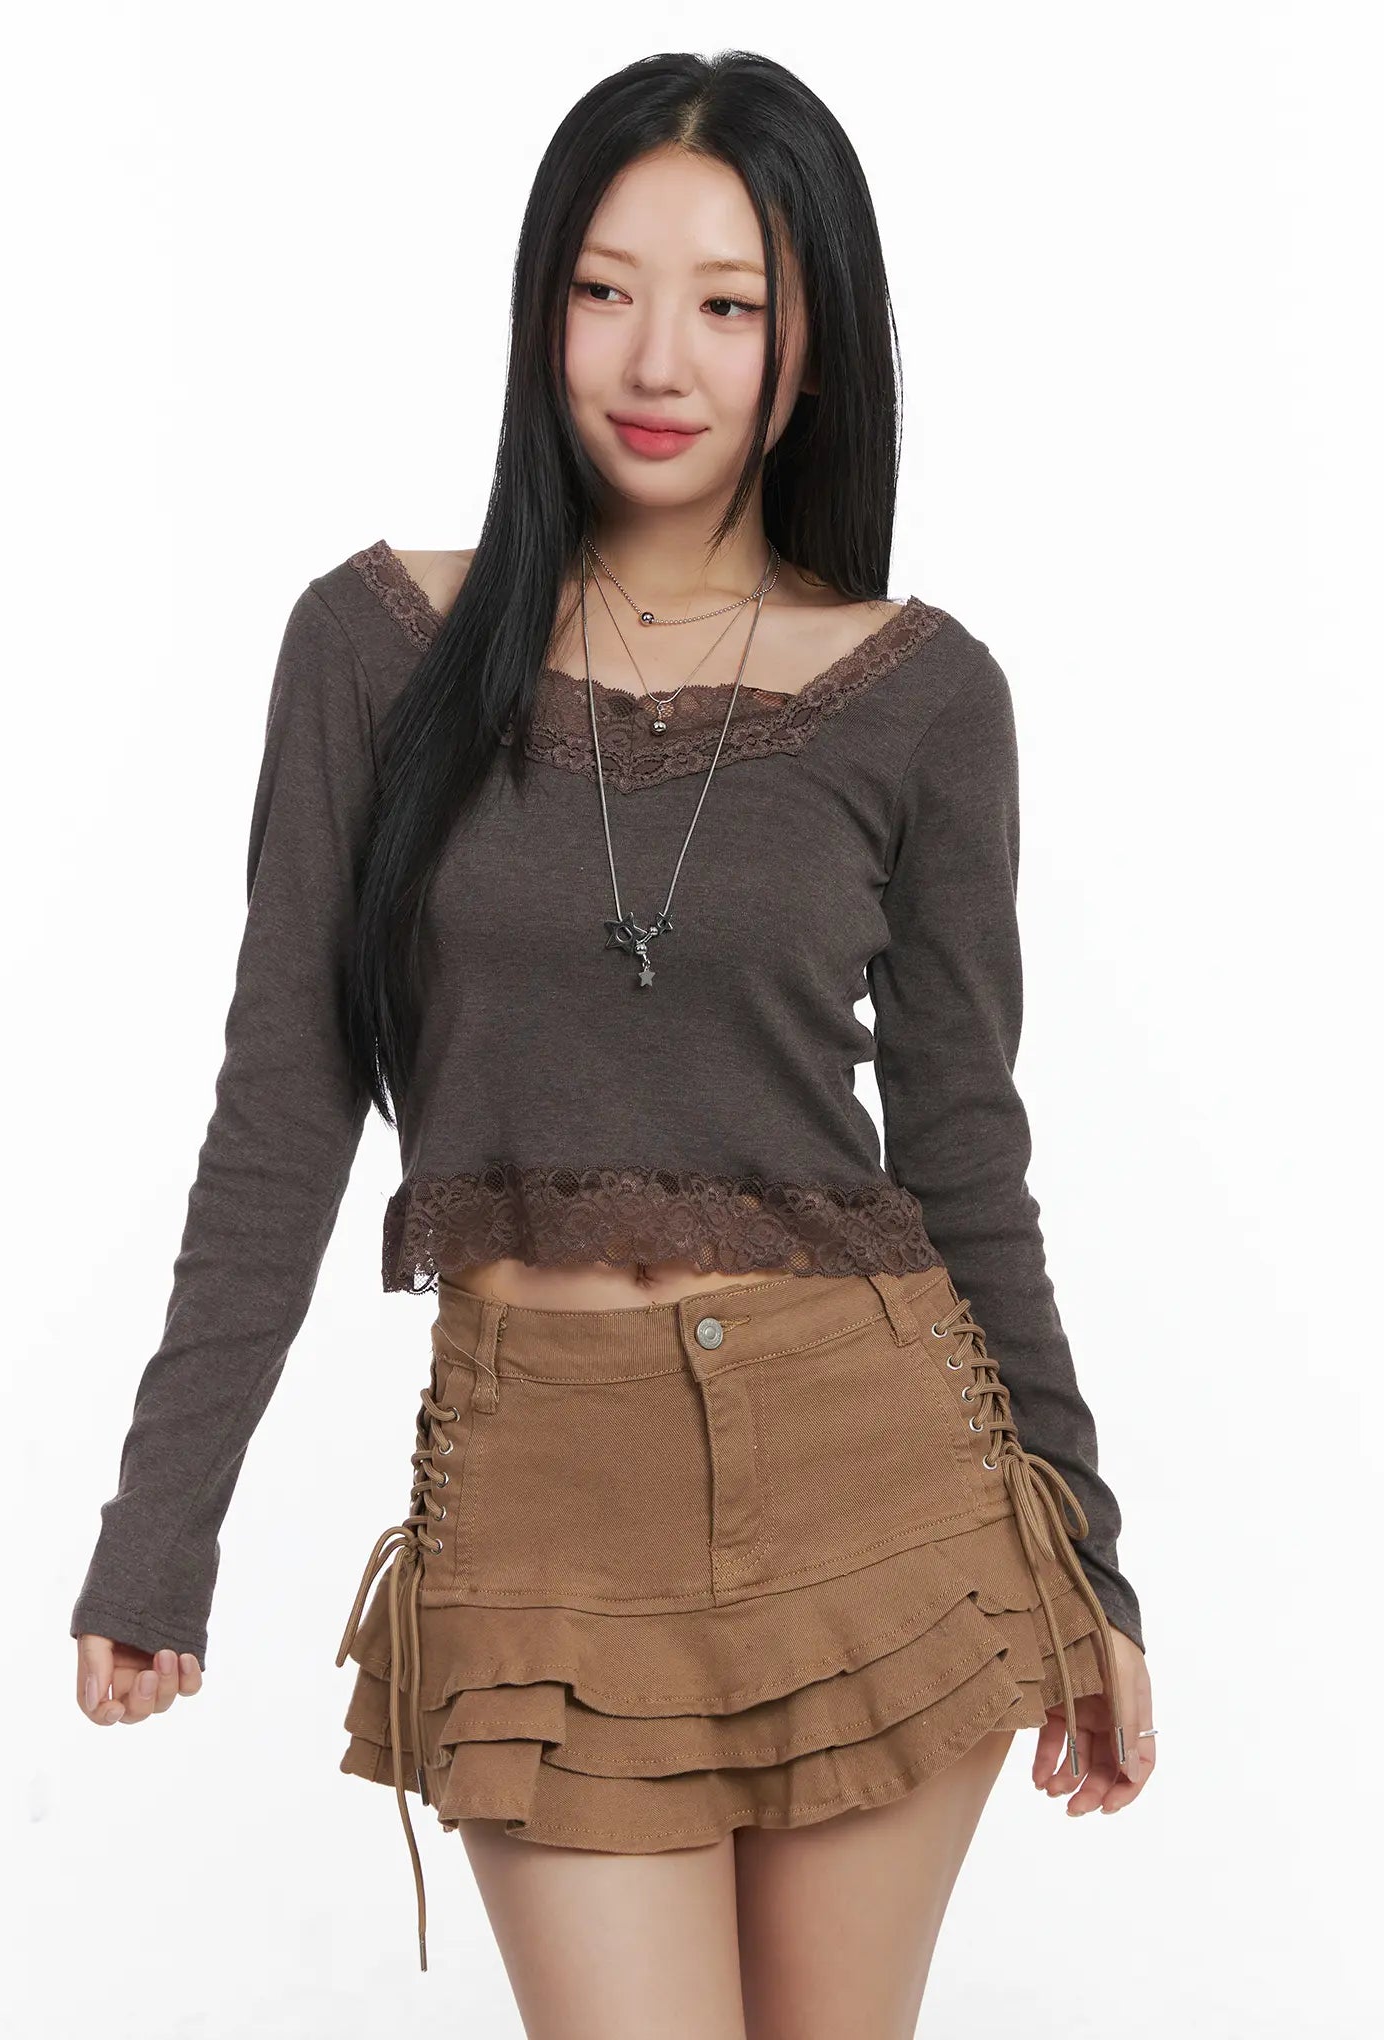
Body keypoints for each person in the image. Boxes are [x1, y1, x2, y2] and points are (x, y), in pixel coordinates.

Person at [71, 48, 1156, 2037]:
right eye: (605, 287)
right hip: (544, 1491)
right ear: (538, 304)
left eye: (731, 304)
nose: (660, 357)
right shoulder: (374, 649)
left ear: (811, 347)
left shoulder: (922, 697)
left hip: (877, 1469)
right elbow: (282, 1104)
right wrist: (162, 1530)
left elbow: (967, 1152)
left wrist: (1087, 1562)